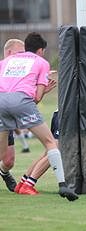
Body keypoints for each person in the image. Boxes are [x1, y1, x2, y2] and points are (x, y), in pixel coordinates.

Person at [0, 33, 78, 201]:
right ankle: (63, 186)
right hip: (21, 100)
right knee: (51, 142)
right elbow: (37, 97)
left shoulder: (6, 61)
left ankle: (24, 182)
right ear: (41, 50)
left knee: (2, 151)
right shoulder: (41, 62)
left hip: (1, 101)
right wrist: (44, 89)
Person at [0, 38, 26, 192]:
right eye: (20, 53)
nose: (24, 57)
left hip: (6, 118)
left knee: (8, 161)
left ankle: (3, 172)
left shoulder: (18, 73)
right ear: (9, 53)